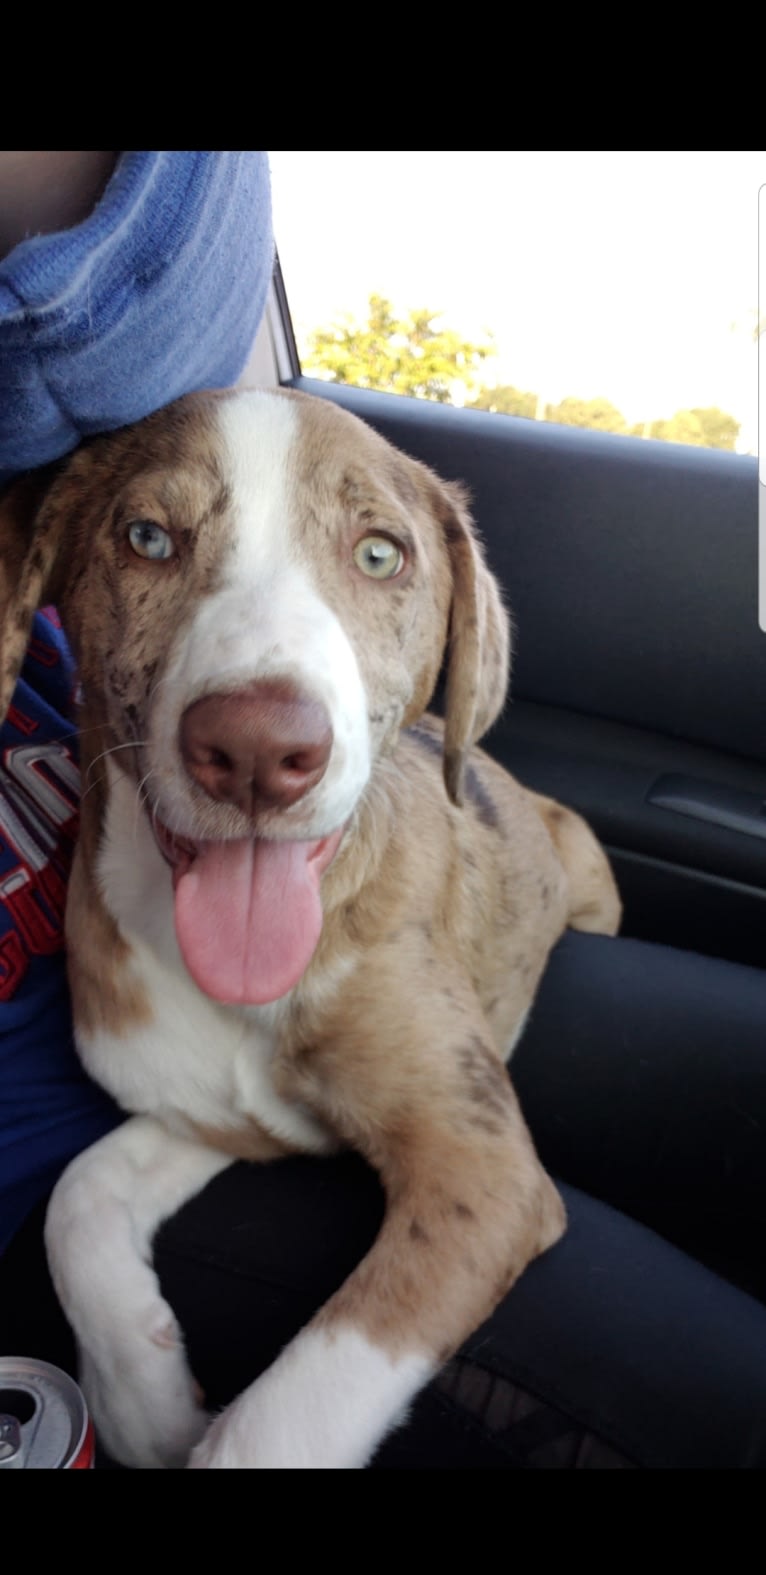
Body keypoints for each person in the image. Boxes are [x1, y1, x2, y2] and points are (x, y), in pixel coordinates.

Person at [1, 151, 765, 1470]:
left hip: (497, 930)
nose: (258, 711)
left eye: (371, 556)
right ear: (52, 578)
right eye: (152, 538)